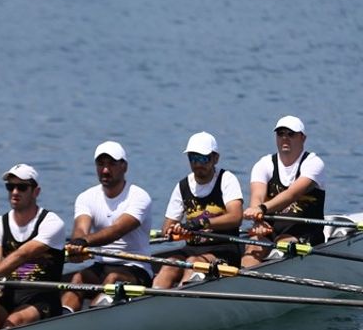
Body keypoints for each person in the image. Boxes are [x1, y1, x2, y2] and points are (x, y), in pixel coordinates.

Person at [0, 164, 67, 330]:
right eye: (10, 187)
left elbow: (23, 254)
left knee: (15, 321)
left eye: (22, 187)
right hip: (7, 294)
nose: (14, 192)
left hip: (42, 297)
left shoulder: (52, 223)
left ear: (36, 192)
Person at [63, 141, 154, 311]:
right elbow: (81, 230)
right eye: (101, 164)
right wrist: (77, 245)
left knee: (112, 278)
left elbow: (116, 231)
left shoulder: (139, 197)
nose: (105, 170)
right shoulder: (86, 197)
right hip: (101, 266)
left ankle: (91, 319)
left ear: (124, 166)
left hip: (136, 267)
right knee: (77, 279)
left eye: (112, 164)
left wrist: (84, 242)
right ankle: (64, 316)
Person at [152, 132, 244, 288]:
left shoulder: (226, 179)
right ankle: (154, 300)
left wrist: (202, 223)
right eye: (193, 158)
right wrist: (173, 230)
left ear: (215, 158)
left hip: (224, 248)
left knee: (193, 263)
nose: (197, 164)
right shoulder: (182, 186)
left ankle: (182, 300)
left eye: (202, 158)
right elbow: (167, 227)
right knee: (169, 265)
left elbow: (236, 217)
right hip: (192, 249)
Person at [241, 115, 327, 267]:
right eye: (280, 134)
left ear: (303, 138)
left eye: (290, 134)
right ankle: (243, 283)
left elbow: (291, 194)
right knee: (252, 247)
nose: (285, 138)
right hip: (270, 231)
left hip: (304, 232)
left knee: (283, 244)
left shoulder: (313, 163)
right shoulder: (264, 164)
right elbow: (257, 195)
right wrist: (258, 220)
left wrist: (261, 209)